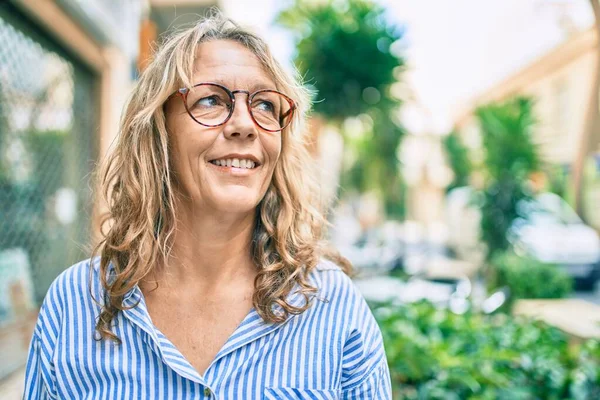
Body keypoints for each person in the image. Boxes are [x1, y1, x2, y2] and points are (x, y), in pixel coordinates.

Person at [23, 13, 392, 399]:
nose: (245, 124)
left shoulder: (331, 306)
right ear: (159, 130)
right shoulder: (74, 304)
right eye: (212, 99)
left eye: (265, 105)